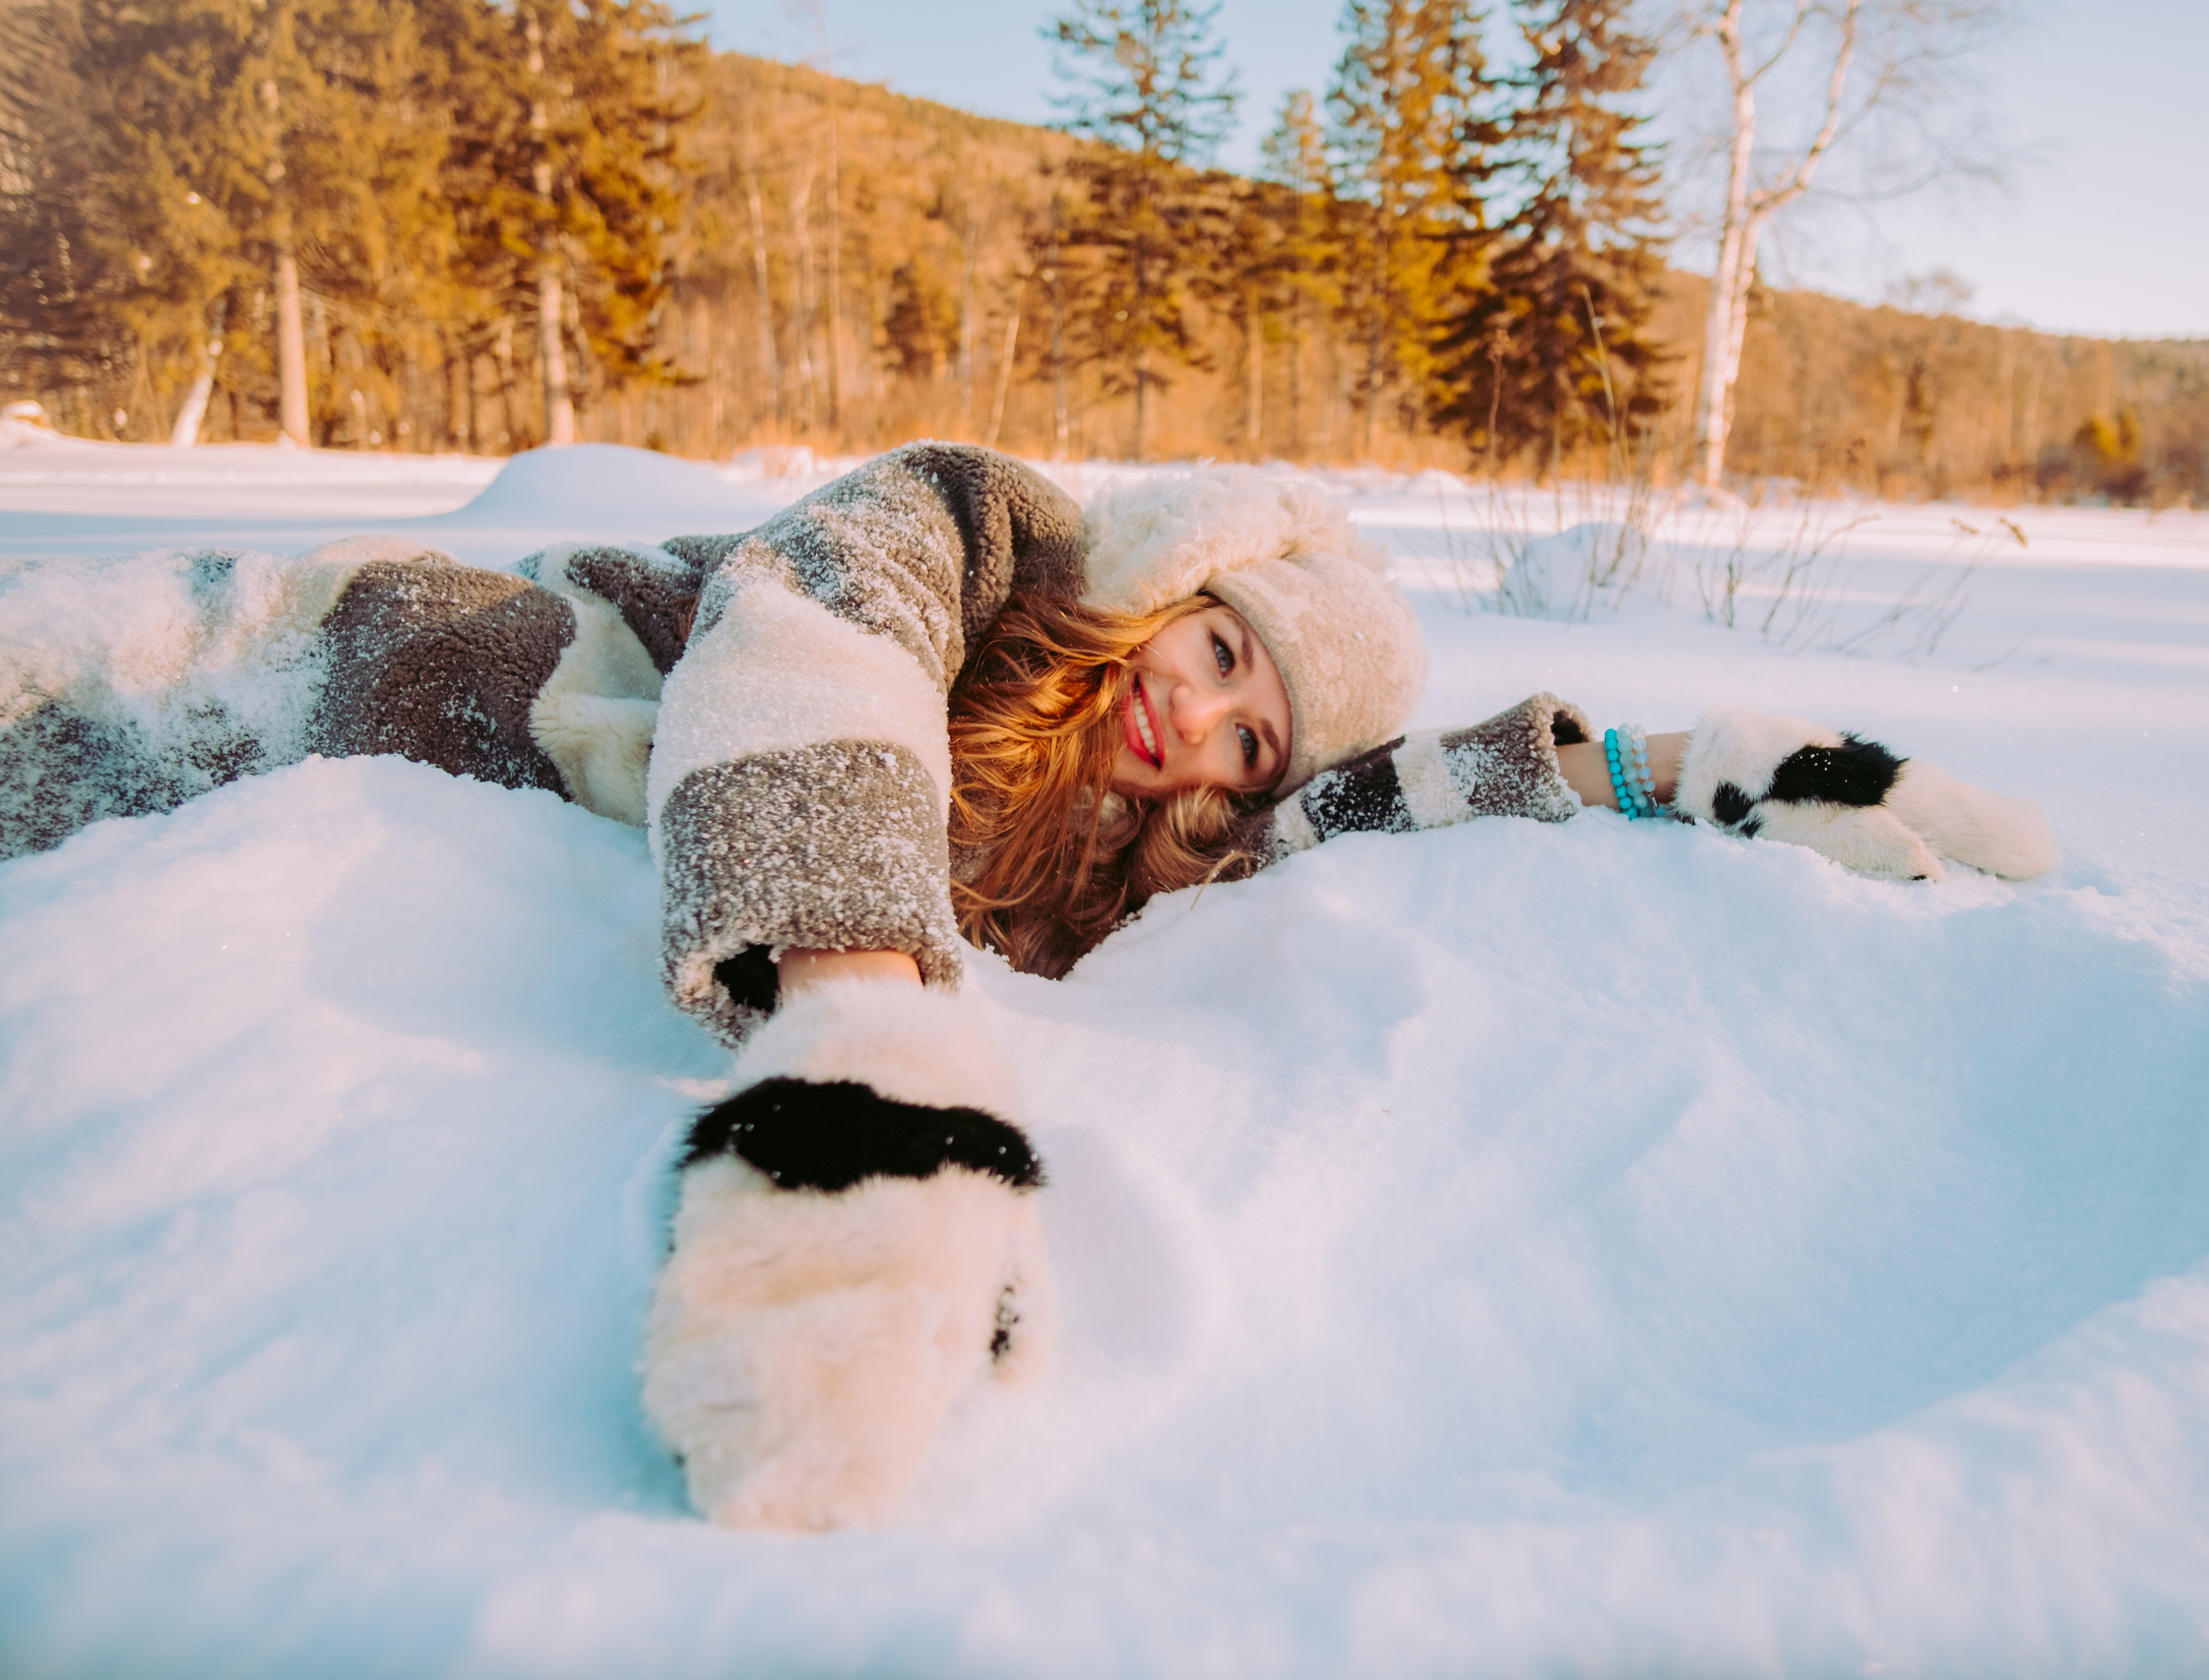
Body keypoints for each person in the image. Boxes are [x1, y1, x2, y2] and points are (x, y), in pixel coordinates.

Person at [0, 442, 2053, 1528]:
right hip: (402, 666)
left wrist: (1695, 768)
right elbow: (819, 641)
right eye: (1222, 648)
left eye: (1251, 736)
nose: (1204, 719)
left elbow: (1407, 791)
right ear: (1174, 583)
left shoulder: (1154, 829)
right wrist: (862, 1041)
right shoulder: (974, 535)